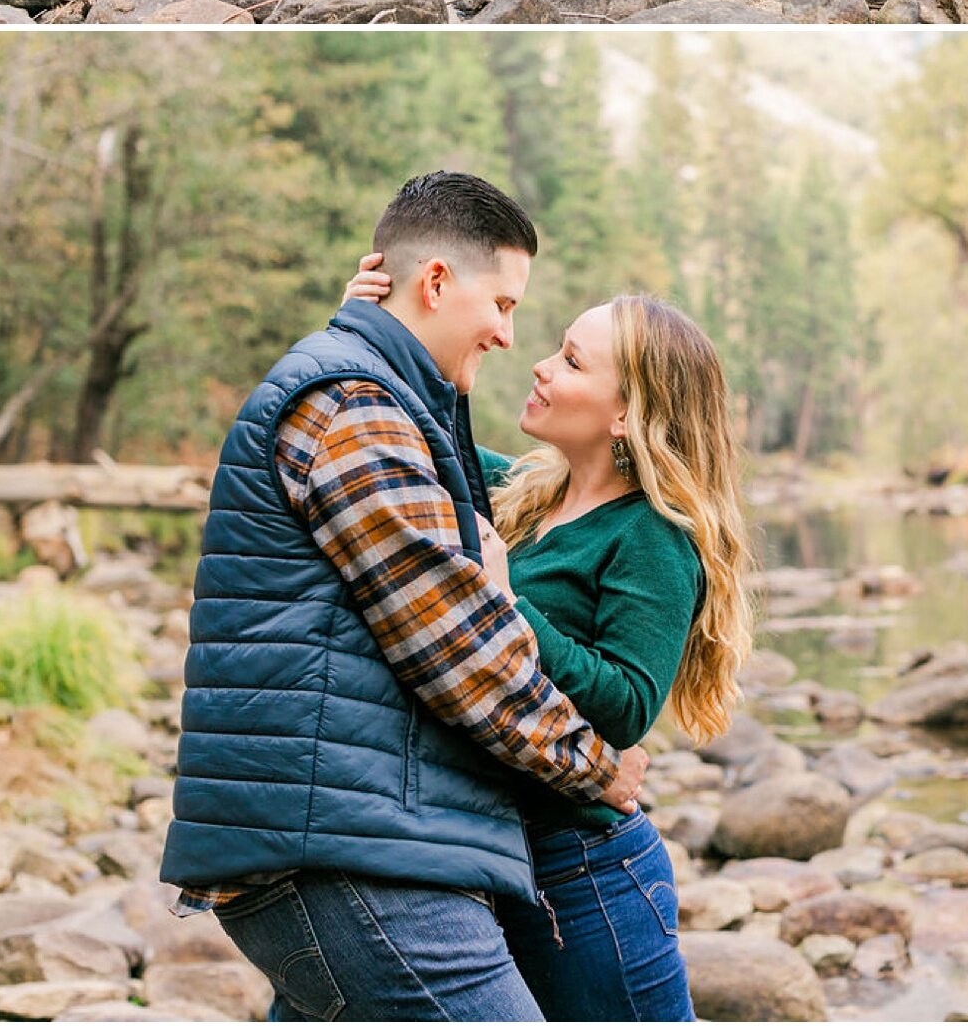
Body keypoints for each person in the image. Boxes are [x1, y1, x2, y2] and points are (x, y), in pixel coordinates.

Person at [159, 172, 650, 1022]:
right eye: (502, 303)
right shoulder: (356, 406)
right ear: (435, 282)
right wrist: (595, 766)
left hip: (343, 839)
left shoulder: (376, 395)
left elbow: (446, 489)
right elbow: (456, 644)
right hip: (352, 859)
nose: (507, 333)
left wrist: (375, 331)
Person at [343, 255, 754, 1022]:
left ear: (625, 415)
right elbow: (417, 439)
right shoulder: (530, 490)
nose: (539, 364)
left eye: (570, 360)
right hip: (500, 862)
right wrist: (375, 323)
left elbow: (627, 705)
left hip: (589, 878)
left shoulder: (653, 537)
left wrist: (508, 605)